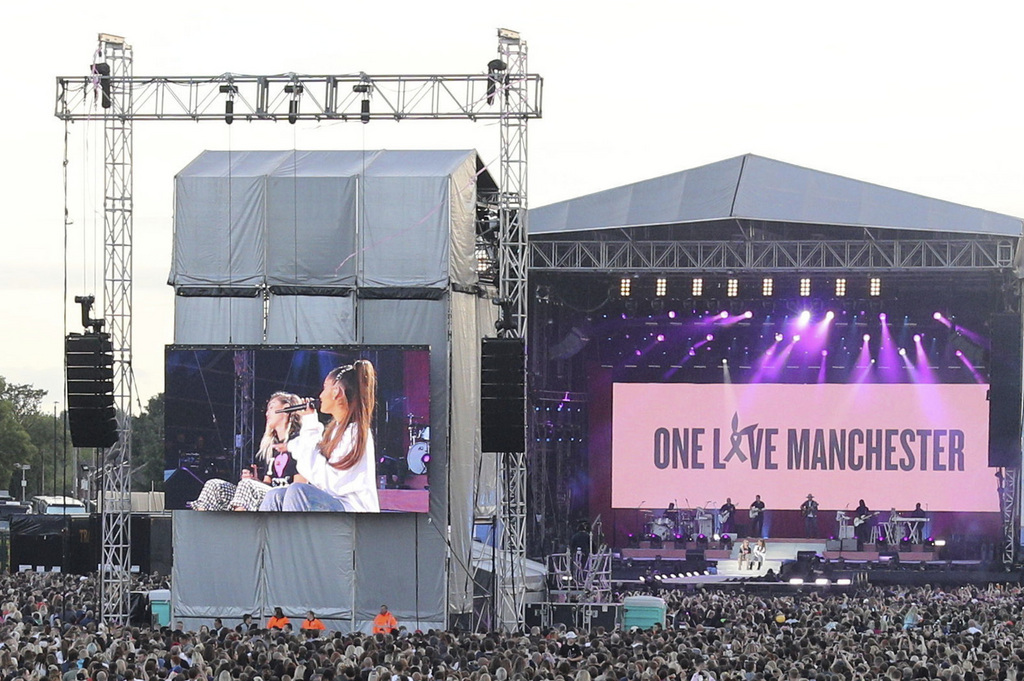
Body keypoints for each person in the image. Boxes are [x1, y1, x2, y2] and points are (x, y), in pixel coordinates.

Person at [261, 360, 380, 512]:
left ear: (336, 391)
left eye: (325, 388)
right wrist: (291, 443)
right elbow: (314, 451)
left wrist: (309, 422)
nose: (320, 395)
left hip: (352, 510)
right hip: (334, 503)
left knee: (298, 492)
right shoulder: (335, 431)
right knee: (275, 495)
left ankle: (289, 535)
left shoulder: (354, 433)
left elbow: (327, 479)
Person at [189, 392, 303, 511]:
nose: (267, 413)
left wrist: (251, 485)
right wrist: (256, 481)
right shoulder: (271, 446)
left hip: (287, 497)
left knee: (247, 485)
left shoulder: (299, 442)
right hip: (269, 494)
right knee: (214, 485)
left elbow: (300, 488)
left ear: (285, 409)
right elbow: (268, 484)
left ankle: (239, 527)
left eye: (271, 407)